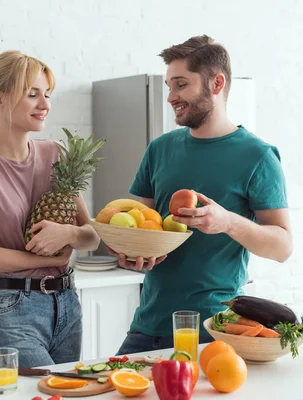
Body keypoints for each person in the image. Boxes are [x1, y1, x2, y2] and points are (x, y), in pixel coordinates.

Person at [109, 35, 293, 355]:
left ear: (216, 83)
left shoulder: (258, 156)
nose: (171, 97)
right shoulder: (160, 148)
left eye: (181, 85)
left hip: (212, 330)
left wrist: (227, 222)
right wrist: (132, 252)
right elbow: (141, 226)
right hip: (147, 323)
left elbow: (282, 247)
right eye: (169, 86)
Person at [0, 50, 100, 368]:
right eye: (32, 95)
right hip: (12, 307)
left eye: (47, 94)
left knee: (62, 391)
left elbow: (92, 236)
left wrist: (69, 232)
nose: (45, 105)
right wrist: (48, 257)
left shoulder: (56, 154)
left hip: (67, 304)